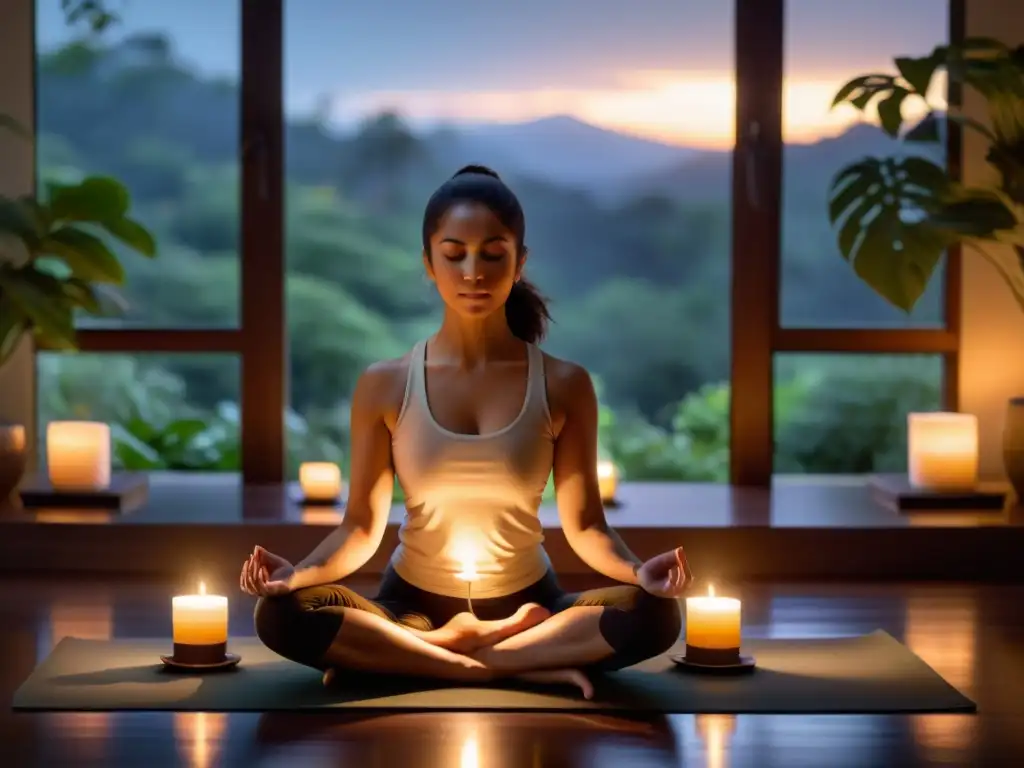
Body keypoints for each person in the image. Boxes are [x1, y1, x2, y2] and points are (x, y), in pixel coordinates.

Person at [241, 165, 692, 700]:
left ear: (520, 262)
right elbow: (361, 527)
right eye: (454, 254)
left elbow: (588, 526)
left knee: (656, 616)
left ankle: (407, 662)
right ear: (429, 264)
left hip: (531, 608)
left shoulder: (565, 384)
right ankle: (498, 664)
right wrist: (296, 576)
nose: (473, 271)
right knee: (280, 614)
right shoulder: (384, 384)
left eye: (493, 253)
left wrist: (642, 574)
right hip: (411, 607)